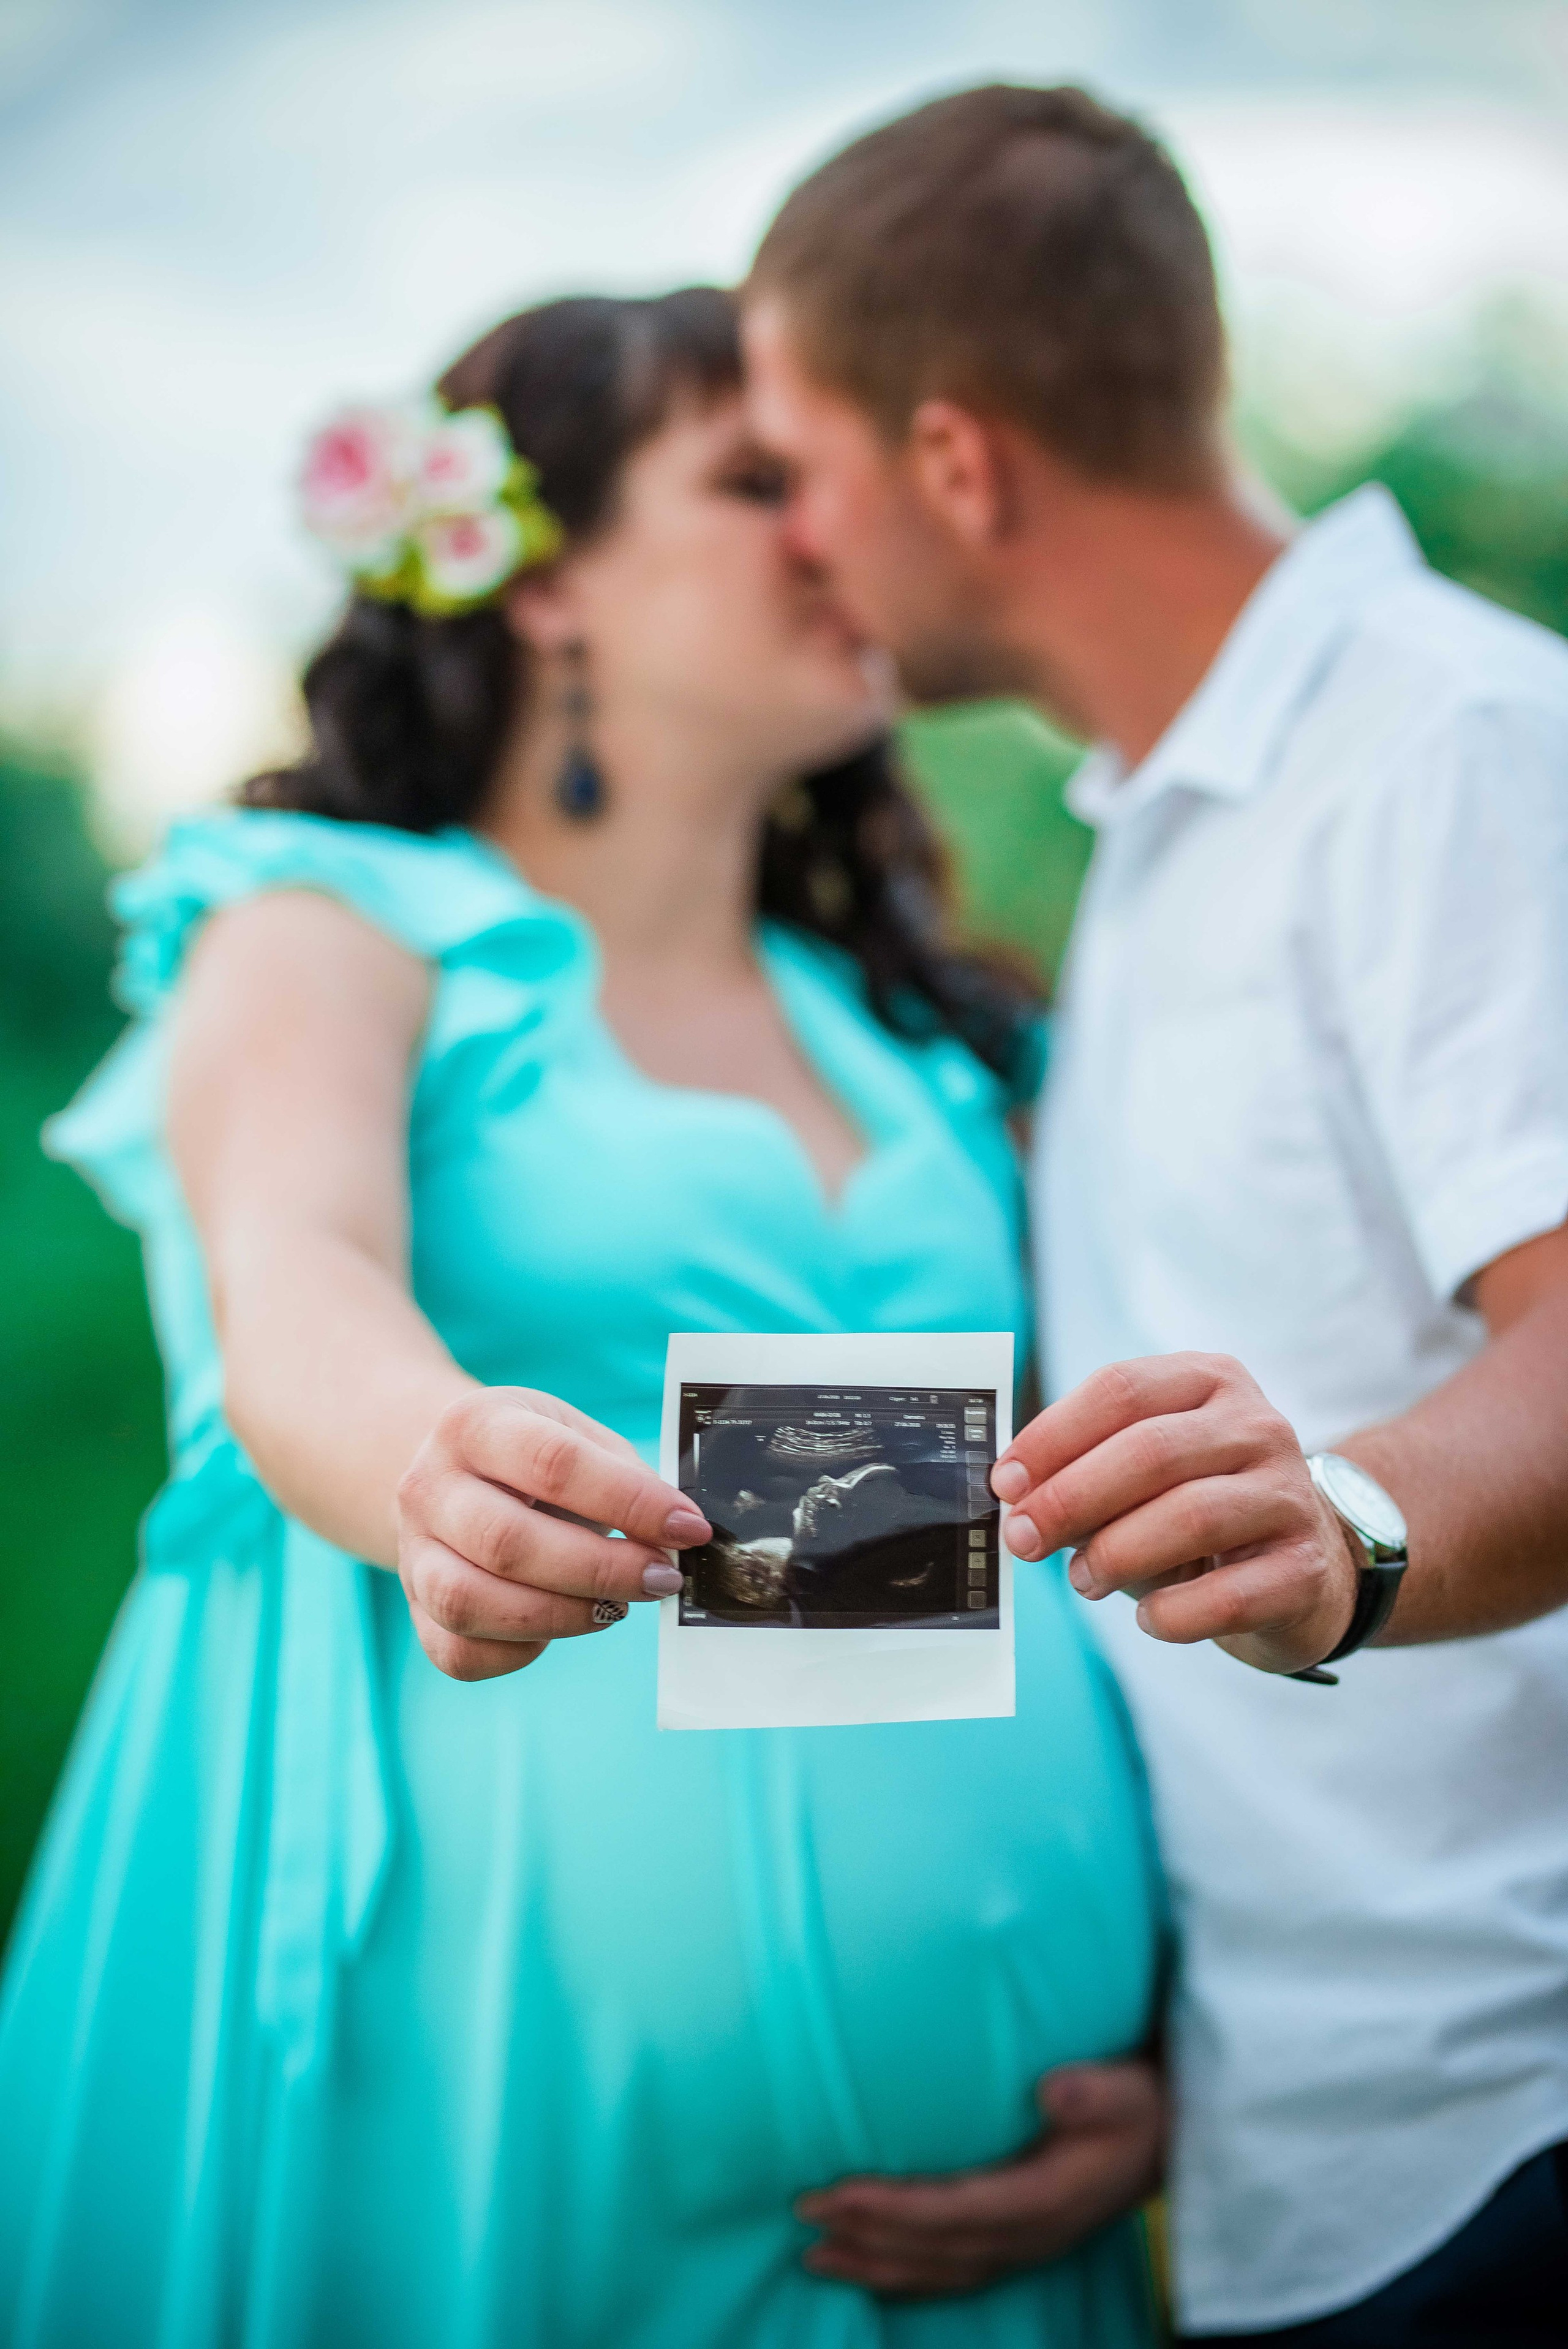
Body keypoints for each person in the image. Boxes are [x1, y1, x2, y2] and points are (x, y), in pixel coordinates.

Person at [0, 288, 1167, 2349]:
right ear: (538, 582)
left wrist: (1171, 2048)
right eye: (754, 483)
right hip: (473, 2120)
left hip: (990, 2217)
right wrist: (430, 1459)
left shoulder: (913, 1038)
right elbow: (300, 1281)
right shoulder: (335, 925)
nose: (838, 529)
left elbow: (1013, 1539)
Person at [741, 83, 1568, 2344]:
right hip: (1293, 2147)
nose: (792, 545)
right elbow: (1043, 1503)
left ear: (953, 465)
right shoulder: (1167, 837)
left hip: (1512, 2123)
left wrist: (1349, 1526)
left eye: (794, 469)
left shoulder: (1453, 746)